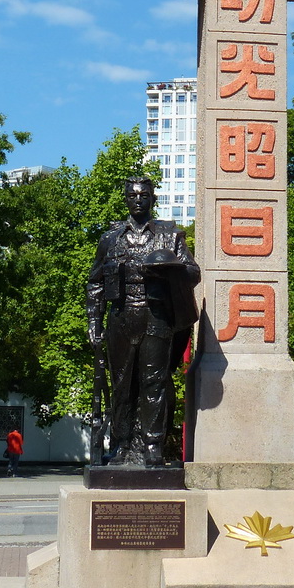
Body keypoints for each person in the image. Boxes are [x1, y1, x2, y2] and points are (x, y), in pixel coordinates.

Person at [85, 176, 200, 466]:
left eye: (144, 195)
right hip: (121, 319)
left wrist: (169, 271)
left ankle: (152, 446)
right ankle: (122, 444)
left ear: (152, 199)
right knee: (122, 385)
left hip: (156, 317)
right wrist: (93, 323)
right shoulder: (110, 239)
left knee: (154, 384)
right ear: (126, 199)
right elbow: (95, 283)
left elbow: (193, 273)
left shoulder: (169, 236)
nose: (138, 200)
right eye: (133, 195)